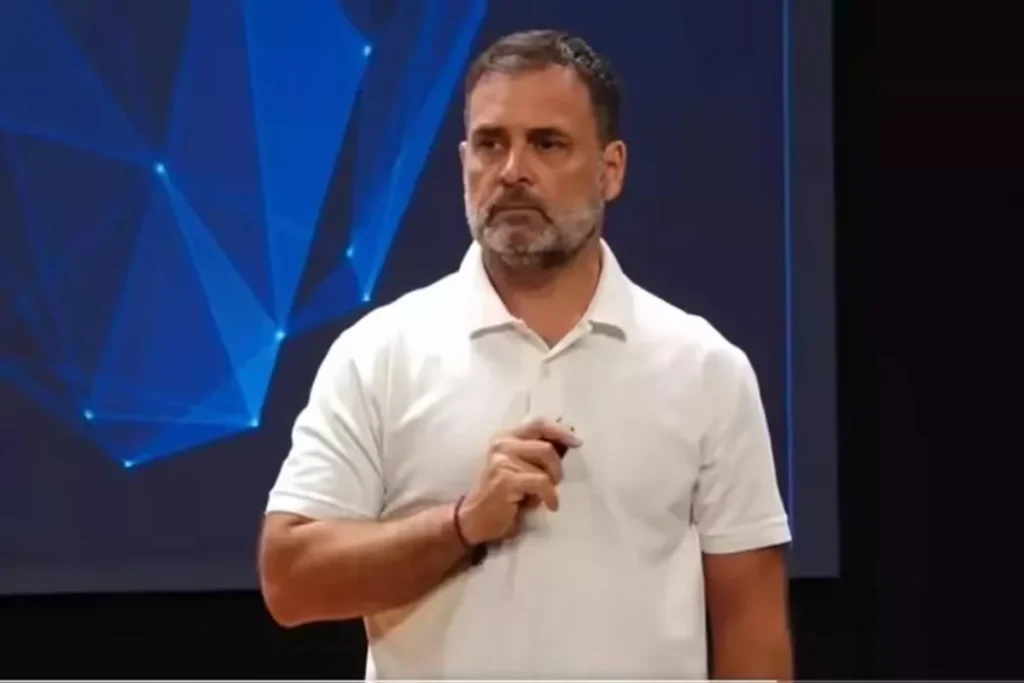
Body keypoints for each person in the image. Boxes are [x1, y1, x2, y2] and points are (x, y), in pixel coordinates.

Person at [259, 29, 793, 681]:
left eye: (547, 143)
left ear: (611, 169)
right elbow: (291, 580)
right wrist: (461, 525)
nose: (512, 170)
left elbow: (751, 624)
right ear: (464, 162)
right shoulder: (378, 356)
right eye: (491, 144)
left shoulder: (705, 368)